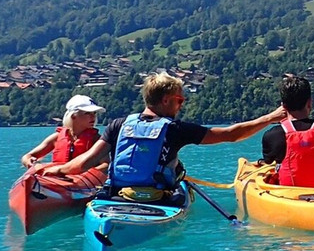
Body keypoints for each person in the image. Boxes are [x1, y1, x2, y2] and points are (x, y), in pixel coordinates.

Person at [43, 72, 285, 202]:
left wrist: (59, 170)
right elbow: (230, 135)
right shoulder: (175, 129)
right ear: (166, 100)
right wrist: (268, 118)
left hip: (118, 197)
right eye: (180, 100)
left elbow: (85, 161)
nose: (182, 105)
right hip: (157, 199)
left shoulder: (118, 124)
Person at [21, 94, 108, 169]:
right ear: (73, 116)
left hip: (85, 182)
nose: (93, 117)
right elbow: (27, 156)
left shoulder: (97, 140)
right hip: (58, 180)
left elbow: (106, 164)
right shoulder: (57, 137)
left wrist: (87, 174)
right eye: (87, 113)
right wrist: (29, 161)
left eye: (94, 113)